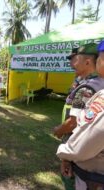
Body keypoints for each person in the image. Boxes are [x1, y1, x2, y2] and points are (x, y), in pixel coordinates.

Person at [56, 40, 104, 190]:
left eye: (76, 59)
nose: (73, 64)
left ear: (88, 62)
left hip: (90, 172)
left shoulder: (88, 88)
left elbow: (74, 123)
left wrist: (58, 132)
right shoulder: (96, 83)